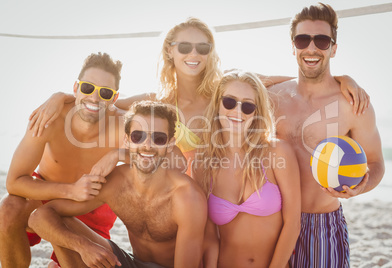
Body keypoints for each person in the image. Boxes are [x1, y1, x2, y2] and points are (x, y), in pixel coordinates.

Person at [28, 17, 369, 177]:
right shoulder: (156, 101)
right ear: (170, 51)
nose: (194, 53)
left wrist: (340, 77)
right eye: (185, 46)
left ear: (210, 53)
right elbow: (101, 103)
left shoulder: (225, 93)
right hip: (179, 202)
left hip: (220, 199)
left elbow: (289, 80)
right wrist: (60, 96)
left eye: (202, 47)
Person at [269, 3, 385, 267]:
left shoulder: (353, 104)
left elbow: (376, 162)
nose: (311, 48)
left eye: (321, 41)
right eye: (302, 39)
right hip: (272, 219)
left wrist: (360, 188)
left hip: (321, 224)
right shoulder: (272, 97)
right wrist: (345, 77)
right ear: (293, 46)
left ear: (333, 48)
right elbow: (234, 80)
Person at [28, 101, 207, 268]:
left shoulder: (187, 198)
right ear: (127, 140)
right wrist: (84, 247)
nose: (147, 145)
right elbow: (38, 218)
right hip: (132, 262)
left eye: (158, 138)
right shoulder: (117, 182)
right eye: (138, 136)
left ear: (170, 144)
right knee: (62, 223)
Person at [0, 52, 125, 268]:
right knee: (7, 210)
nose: (94, 98)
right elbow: (14, 182)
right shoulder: (49, 118)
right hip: (46, 193)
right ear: (76, 88)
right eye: (87, 88)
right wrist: (71, 190)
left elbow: (158, 105)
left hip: (90, 209)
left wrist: (119, 154)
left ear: (114, 98)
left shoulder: (123, 125)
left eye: (105, 93)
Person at [193, 70, 300, 267]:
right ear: (217, 104)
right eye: (229, 102)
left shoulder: (276, 152)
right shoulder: (203, 162)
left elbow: (293, 223)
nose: (238, 111)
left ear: (257, 112)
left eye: (248, 106)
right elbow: (209, 236)